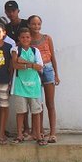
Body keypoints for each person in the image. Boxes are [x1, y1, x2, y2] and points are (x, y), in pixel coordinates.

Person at [11, 27, 45, 145]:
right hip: (20, 85)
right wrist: (31, 65)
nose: (25, 39)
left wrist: (24, 62)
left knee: (36, 112)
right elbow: (15, 65)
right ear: (19, 38)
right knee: (21, 112)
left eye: (27, 37)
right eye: (23, 37)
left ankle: (38, 135)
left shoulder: (35, 51)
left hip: (34, 85)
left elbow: (39, 67)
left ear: (31, 38)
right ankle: (19, 135)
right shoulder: (15, 49)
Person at [29, 15, 60, 143]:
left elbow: (53, 57)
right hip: (34, 72)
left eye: (38, 24)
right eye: (33, 24)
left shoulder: (47, 38)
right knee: (38, 104)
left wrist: (56, 74)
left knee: (50, 103)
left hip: (47, 69)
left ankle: (52, 133)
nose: (36, 26)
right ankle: (39, 131)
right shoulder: (27, 39)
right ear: (29, 25)